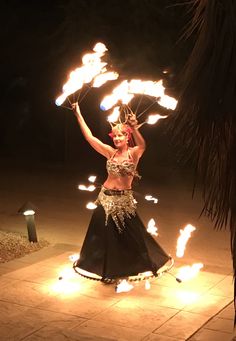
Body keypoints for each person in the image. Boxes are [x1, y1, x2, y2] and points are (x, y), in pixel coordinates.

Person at [71, 102, 171, 284]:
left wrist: (134, 127)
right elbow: (89, 137)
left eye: (120, 135)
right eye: (114, 136)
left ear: (127, 137)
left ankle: (136, 265)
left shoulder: (133, 154)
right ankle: (106, 270)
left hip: (124, 201)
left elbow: (142, 144)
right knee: (103, 237)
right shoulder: (110, 153)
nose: (116, 138)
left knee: (133, 235)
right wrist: (78, 113)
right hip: (104, 199)